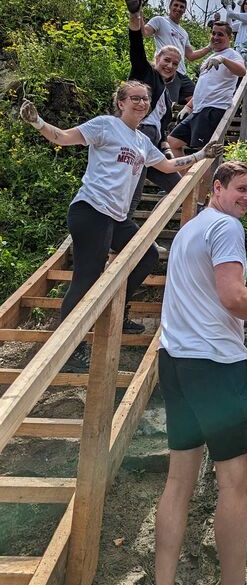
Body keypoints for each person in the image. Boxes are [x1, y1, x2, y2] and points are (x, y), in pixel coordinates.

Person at [154, 160, 247, 585]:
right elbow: (232, 295)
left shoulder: (189, 231)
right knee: (235, 482)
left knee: (179, 481)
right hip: (215, 363)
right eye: (240, 189)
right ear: (216, 188)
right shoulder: (227, 228)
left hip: (175, 362)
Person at [19, 86, 223, 372]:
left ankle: (116, 309)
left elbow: (165, 166)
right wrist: (37, 122)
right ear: (120, 102)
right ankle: (68, 350)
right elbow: (64, 137)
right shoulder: (106, 125)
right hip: (91, 210)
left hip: (115, 217)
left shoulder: (142, 140)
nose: (142, 103)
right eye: (135, 98)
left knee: (148, 255)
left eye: (146, 99)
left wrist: (201, 154)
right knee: (87, 278)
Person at [124, 0, 183, 217]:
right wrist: (135, 14)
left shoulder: (167, 98)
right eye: (166, 60)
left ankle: (144, 233)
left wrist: (167, 152)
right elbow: (136, 47)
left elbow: (162, 131)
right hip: (136, 137)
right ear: (157, 58)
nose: (170, 65)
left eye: (175, 64)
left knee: (177, 187)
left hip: (153, 145)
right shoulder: (145, 73)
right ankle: (118, 247)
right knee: (132, 195)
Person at [168, 23, 246, 157]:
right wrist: (187, 106)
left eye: (220, 34)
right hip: (199, 109)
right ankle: (182, 177)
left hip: (213, 109)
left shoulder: (232, 54)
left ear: (229, 37)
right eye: (213, 33)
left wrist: (223, 59)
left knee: (204, 152)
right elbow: (203, 88)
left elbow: (242, 71)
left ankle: (205, 179)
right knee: (172, 141)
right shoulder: (210, 57)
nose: (215, 37)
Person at [143, 0, 211, 104]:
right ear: (169, 7)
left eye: (182, 7)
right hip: (166, 70)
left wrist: (209, 47)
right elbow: (144, 32)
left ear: (184, 10)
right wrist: (137, 14)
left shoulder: (184, 33)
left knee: (197, 99)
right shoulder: (160, 21)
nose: (178, 8)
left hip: (181, 72)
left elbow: (191, 55)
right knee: (166, 104)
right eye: (176, 5)